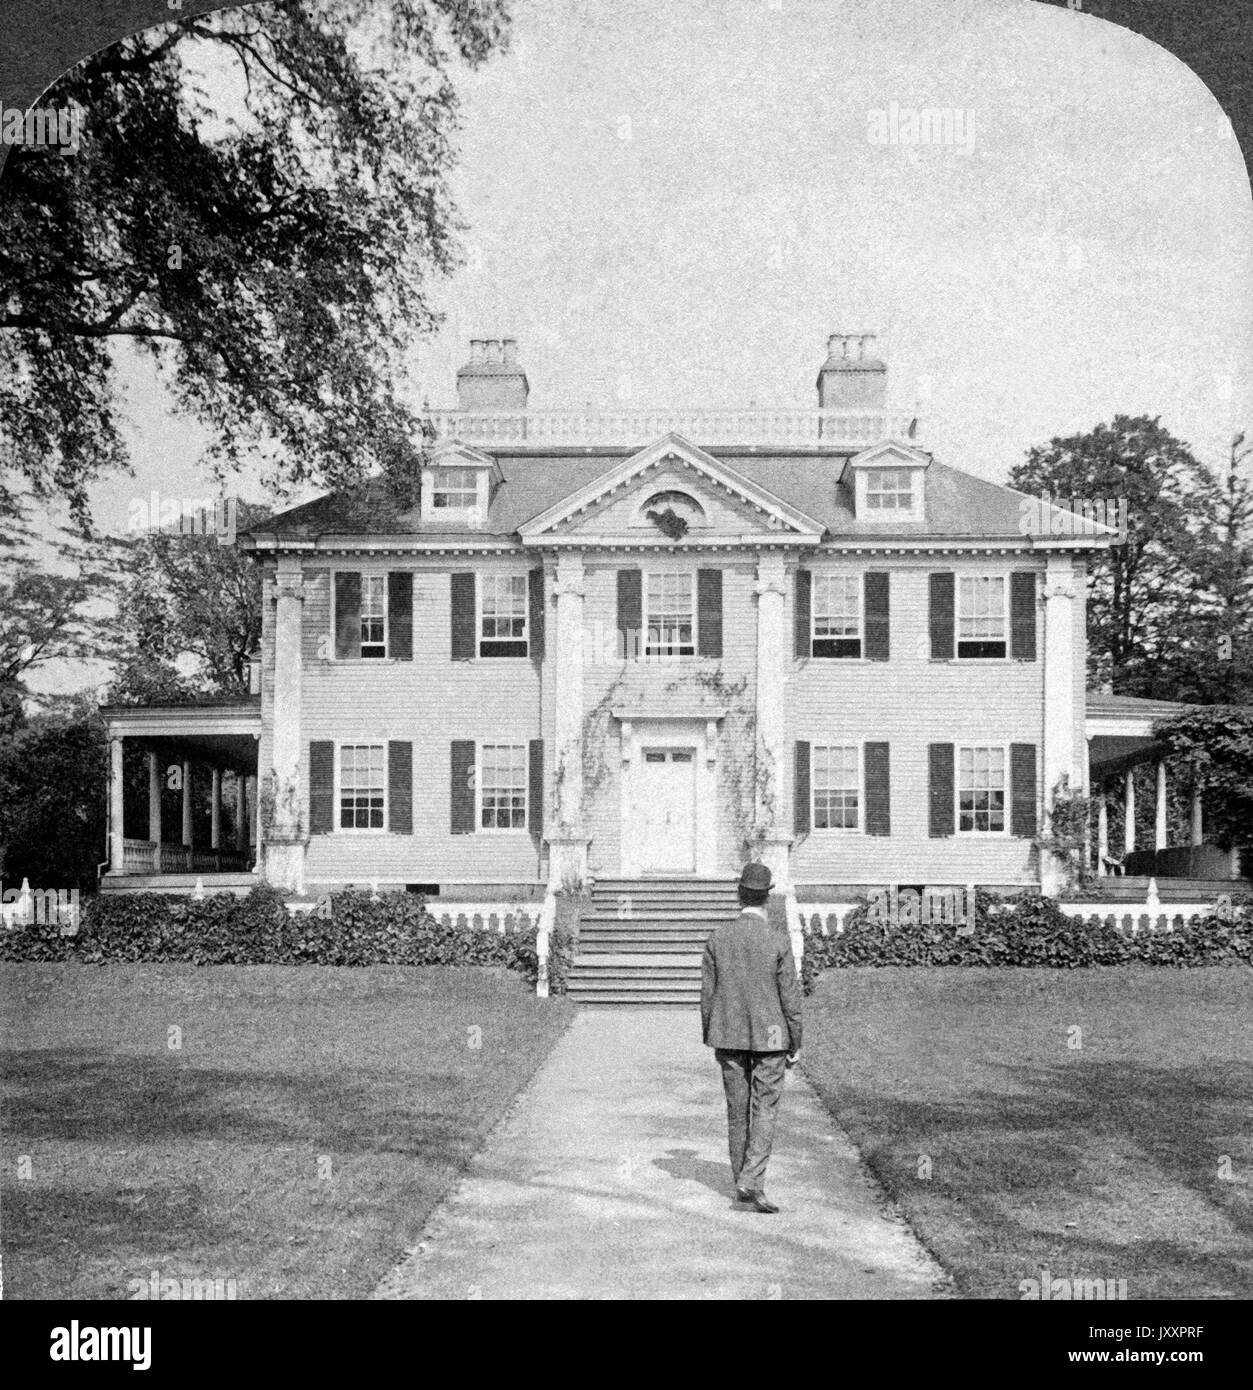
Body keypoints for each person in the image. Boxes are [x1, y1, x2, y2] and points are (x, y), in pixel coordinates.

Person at [699, 861, 803, 1214]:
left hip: (727, 1035)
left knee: (736, 1111)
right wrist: (795, 1042)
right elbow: (790, 998)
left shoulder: (717, 938)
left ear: (739, 895)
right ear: (767, 899)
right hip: (772, 1037)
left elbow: (707, 997)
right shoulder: (777, 940)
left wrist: (711, 1035)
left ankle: (743, 1180)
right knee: (765, 1109)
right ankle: (751, 1180)